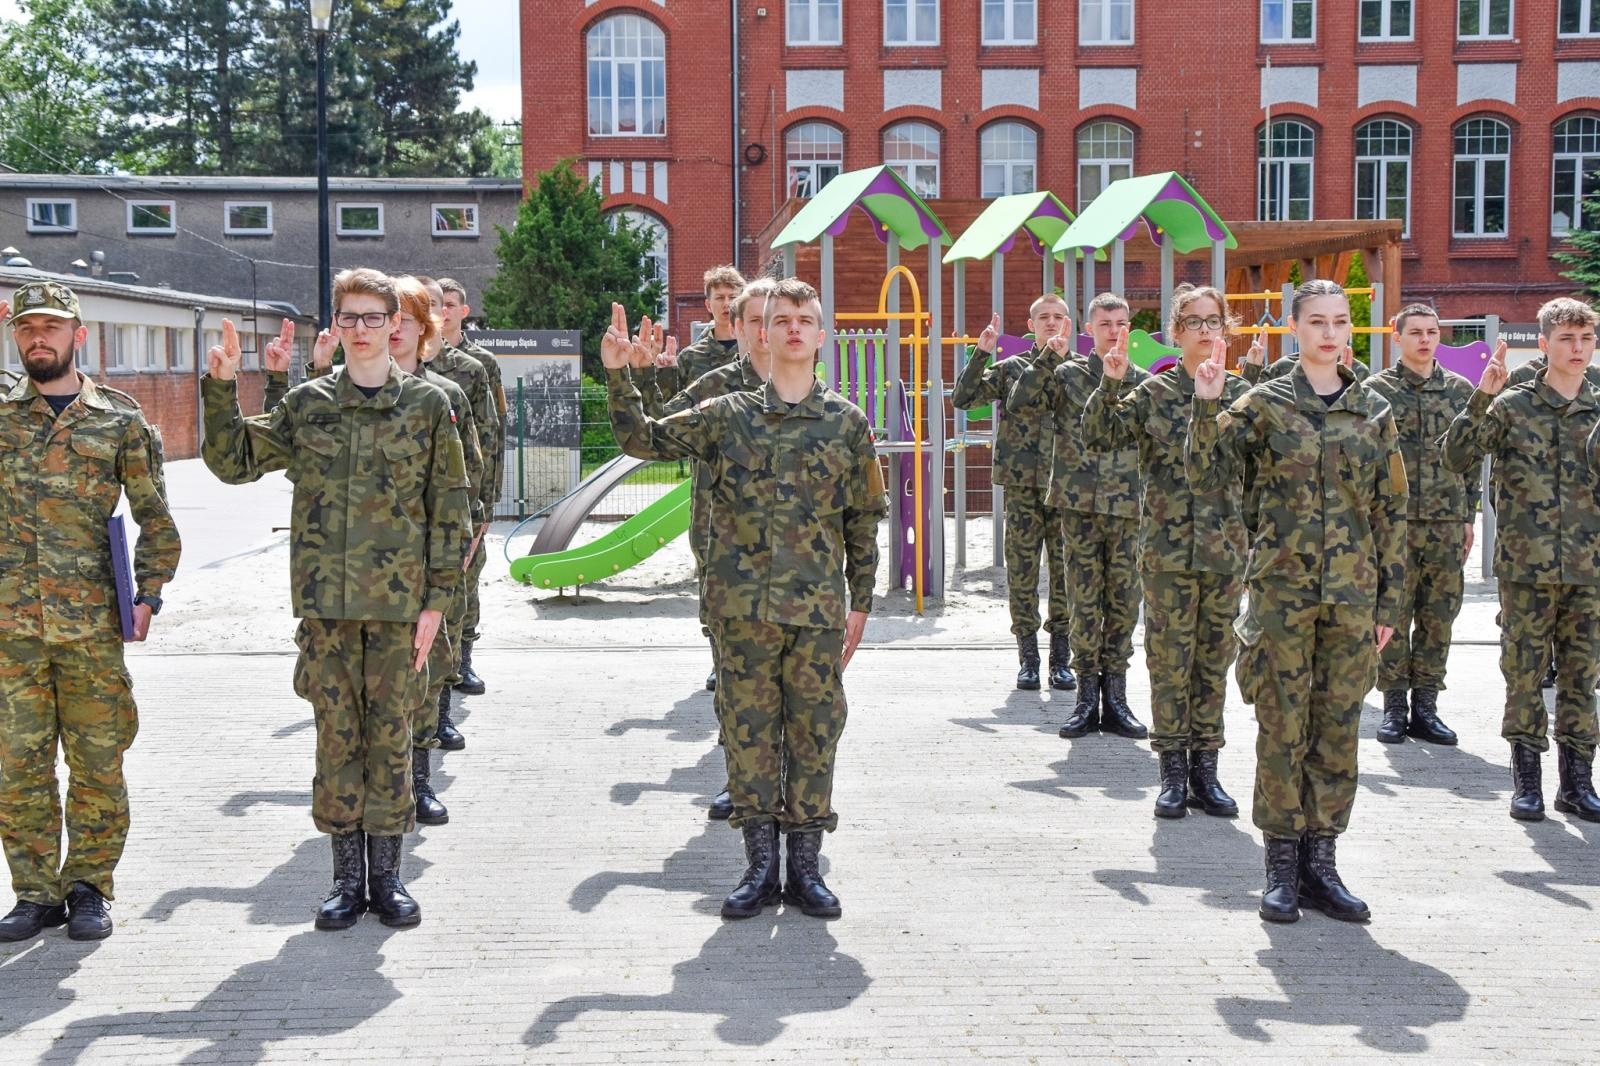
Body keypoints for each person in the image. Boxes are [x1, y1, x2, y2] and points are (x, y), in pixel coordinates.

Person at [603, 280, 886, 920]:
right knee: (749, 736)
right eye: (780, 320)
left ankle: (806, 869)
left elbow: (864, 521)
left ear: (820, 336)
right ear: (763, 333)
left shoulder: (846, 424)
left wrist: (861, 604)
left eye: (804, 320)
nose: (791, 329)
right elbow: (641, 440)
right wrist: (621, 378)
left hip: (815, 612)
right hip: (742, 612)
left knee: (815, 735)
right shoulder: (727, 415)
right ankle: (759, 867)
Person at [202, 267, 470, 930]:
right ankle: (346, 880)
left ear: (395, 326)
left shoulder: (428, 406)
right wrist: (222, 385)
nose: (359, 329)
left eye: (371, 318)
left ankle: (389, 876)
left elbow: (450, 507)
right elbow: (233, 461)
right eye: (347, 318)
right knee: (336, 743)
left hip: (401, 611)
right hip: (326, 610)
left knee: (392, 739)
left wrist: (438, 603)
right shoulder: (310, 405)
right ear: (337, 327)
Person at [1187, 279, 1407, 924]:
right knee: (1282, 726)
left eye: (1340, 321)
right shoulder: (1261, 404)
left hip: (1352, 599)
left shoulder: (1374, 410)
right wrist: (1205, 405)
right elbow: (1208, 475)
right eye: (1317, 321)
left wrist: (1390, 603)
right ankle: (1280, 867)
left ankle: (1323, 864)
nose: (1330, 332)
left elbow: (1392, 511)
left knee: (1338, 729)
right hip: (1282, 595)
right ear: (1294, 328)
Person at [0, 281, 181, 942]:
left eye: (50, 327)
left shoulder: (118, 418)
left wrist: (149, 593)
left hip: (91, 628)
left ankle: (89, 886)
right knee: (17, 766)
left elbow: (156, 521)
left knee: (98, 762)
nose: (37, 338)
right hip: (8, 630)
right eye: (26, 328)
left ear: (79, 334)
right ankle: (36, 892)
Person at [1082, 286, 1251, 818]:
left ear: (1225, 330)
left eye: (1214, 321)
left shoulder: (1244, 396)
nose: (1205, 330)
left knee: (1214, 662)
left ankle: (1208, 770)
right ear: (1175, 332)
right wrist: (1109, 385)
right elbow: (1099, 437)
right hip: (1166, 552)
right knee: (1170, 661)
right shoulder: (1153, 394)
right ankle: (1172, 773)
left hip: (1225, 552)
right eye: (1194, 321)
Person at [615, 278, 777, 822]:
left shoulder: (808, 389)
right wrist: (635, 373)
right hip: (723, 536)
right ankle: (740, 772)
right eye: (750, 321)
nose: (760, 332)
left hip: (792, 559)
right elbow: (656, 429)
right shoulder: (716, 382)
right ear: (736, 324)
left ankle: (783, 784)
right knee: (733, 668)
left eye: (769, 319)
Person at [1444, 297, 1600, 824]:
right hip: (1526, 567)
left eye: (1586, 339)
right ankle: (1527, 782)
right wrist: (1481, 398)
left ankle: (1578, 784)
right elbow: (1457, 456)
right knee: (1524, 674)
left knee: (1582, 677)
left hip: (1590, 567)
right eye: (1567, 340)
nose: (1577, 349)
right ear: (1547, 343)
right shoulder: (1513, 405)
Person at [950, 296, 1077, 692]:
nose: (1051, 323)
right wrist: (981, 352)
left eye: (1058, 317)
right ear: (1031, 323)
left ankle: (1061, 658)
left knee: (1065, 574)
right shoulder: (1012, 369)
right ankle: (1028, 658)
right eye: (1044, 318)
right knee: (1022, 573)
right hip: (1022, 485)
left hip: (1066, 485)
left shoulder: (1079, 372)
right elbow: (963, 399)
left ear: (1069, 324)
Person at [1365, 305, 1478, 746]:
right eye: (1416, 332)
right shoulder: (1376, 392)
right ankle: (1394, 705)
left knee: (1439, 615)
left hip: (1447, 521)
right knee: (1391, 612)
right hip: (1393, 524)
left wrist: (1470, 515)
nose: (1426, 340)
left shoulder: (1459, 390)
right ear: (1397, 337)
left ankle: (1427, 706)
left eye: (1432, 332)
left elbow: (1469, 459)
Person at [1049, 293, 1148, 738]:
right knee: (1084, 603)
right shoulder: (1070, 375)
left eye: (1122, 323)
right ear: (1089, 329)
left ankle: (1118, 697)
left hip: (1128, 508)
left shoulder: (1144, 384)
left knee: (1124, 604)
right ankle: (1086, 697)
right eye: (1105, 323)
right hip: (1081, 505)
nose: (1114, 331)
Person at [415, 275, 498, 739]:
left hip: (459, 509)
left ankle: (450, 687)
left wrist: (484, 505)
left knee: (456, 599)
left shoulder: (468, 370)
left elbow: (487, 438)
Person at [437, 277, 506, 696]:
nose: (442, 310)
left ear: (464, 311)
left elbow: (492, 433)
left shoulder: (479, 365)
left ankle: (463, 659)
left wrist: (488, 500)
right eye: (436, 303)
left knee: (469, 576)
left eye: (450, 304)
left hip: (470, 491)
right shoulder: (405, 358)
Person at [658, 265, 745, 403]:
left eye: (733, 297)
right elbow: (669, 407)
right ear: (708, 305)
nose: (727, 304)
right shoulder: (690, 357)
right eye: (720, 298)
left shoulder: (756, 351)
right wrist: (666, 373)